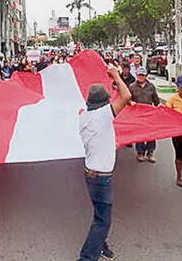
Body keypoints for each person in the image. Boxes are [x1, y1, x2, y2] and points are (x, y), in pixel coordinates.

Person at [78, 65, 132, 261]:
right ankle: (87, 257)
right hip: (101, 178)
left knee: (98, 213)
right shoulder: (102, 115)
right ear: (103, 104)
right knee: (103, 221)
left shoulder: (84, 116)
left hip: (90, 173)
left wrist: (111, 145)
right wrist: (116, 75)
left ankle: (101, 245)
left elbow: (98, 137)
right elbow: (126, 96)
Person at [130, 66, 160, 163]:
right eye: (139, 75)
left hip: (149, 114)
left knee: (151, 133)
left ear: (146, 76)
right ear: (136, 75)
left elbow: (156, 100)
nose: (141, 77)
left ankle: (150, 152)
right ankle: (140, 152)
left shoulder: (151, 87)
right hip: (137, 115)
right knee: (139, 133)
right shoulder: (132, 87)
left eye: (143, 75)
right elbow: (127, 99)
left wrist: (158, 106)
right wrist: (130, 102)